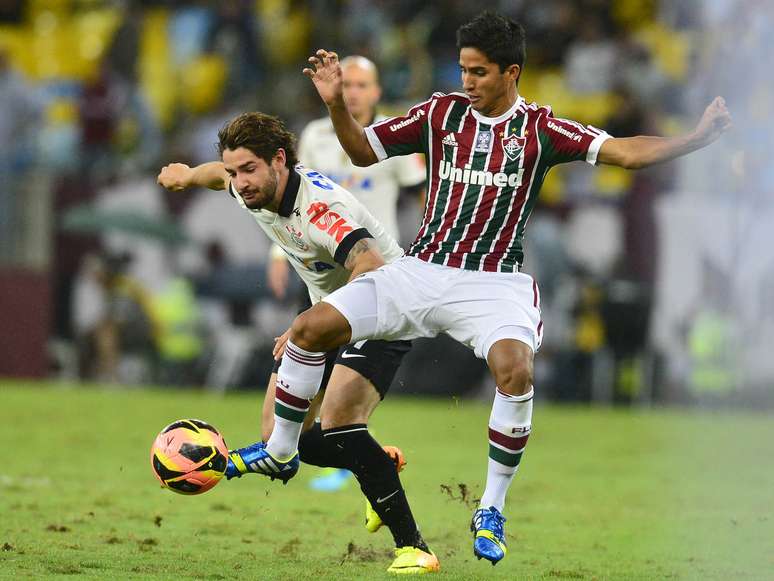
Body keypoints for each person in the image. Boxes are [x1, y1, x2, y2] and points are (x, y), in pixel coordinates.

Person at [227, 11, 732, 566]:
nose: (466, 81)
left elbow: (627, 153)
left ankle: (490, 506)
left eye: (479, 72)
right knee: (308, 327)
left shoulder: (541, 130)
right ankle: (279, 452)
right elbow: (362, 150)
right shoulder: (441, 114)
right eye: (463, 69)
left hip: (493, 282)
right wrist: (333, 105)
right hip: (422, 270)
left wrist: (697, 138)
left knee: (515, 370)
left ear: (511, 72)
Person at [156, 112, 440, 575]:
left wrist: (310, 321)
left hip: (386, 308)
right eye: (234, 171)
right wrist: (188, 175)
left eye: (248, 170)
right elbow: (217, 177)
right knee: (288, 438)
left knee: (340, 424)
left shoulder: (319, 210)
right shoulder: (252, 186)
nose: (239, 182)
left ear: (279, 161)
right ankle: (374, 464)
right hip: (329, 316)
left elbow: (368, 265)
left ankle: (415, 548)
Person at [265, 55, 426, 493]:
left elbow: (422, 195)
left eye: (361, 85)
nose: (352, 91)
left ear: (376, 92)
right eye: (347, 83)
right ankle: (359, 458)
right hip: (321, 273)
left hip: (373, 274)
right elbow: (287, 197)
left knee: (343, 400)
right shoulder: (317, 136)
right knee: (298, 407)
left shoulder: (393, 138)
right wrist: (279, 256)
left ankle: (352, 455)